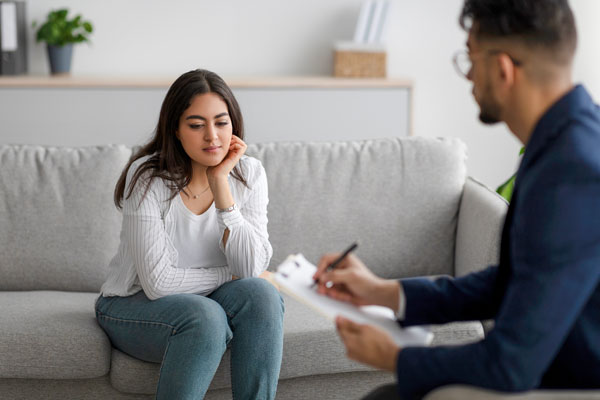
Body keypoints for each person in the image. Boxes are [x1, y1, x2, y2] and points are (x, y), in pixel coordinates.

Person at [313, 0, 600, 399]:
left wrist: (396, 357)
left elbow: (511, 364)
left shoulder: (573, 170)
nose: (468, 77)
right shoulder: (570, 138)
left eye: (470, 58)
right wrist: (384, 292)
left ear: (502, 69)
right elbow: (514, 281)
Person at [95, 69, 284, 400]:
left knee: (261, 295)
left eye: (221, 123)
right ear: (177, 131)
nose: (212, 136)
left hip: (206, 302)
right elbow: (159, 284)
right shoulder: (148, 179)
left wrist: (222, 187)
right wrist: (231, 274)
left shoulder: (249, 173)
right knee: (206, 315)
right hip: (132, 305)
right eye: (196, 125)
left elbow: (250, 268)